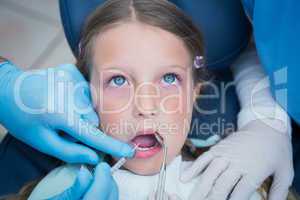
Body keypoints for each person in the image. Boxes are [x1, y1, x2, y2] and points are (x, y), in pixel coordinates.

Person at [8, 0, 292, 199]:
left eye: (169, 78)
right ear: (86, 96)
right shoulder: (61, 189)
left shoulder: (240, 186)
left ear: (195, 93)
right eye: (118, 80)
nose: (145, 107)